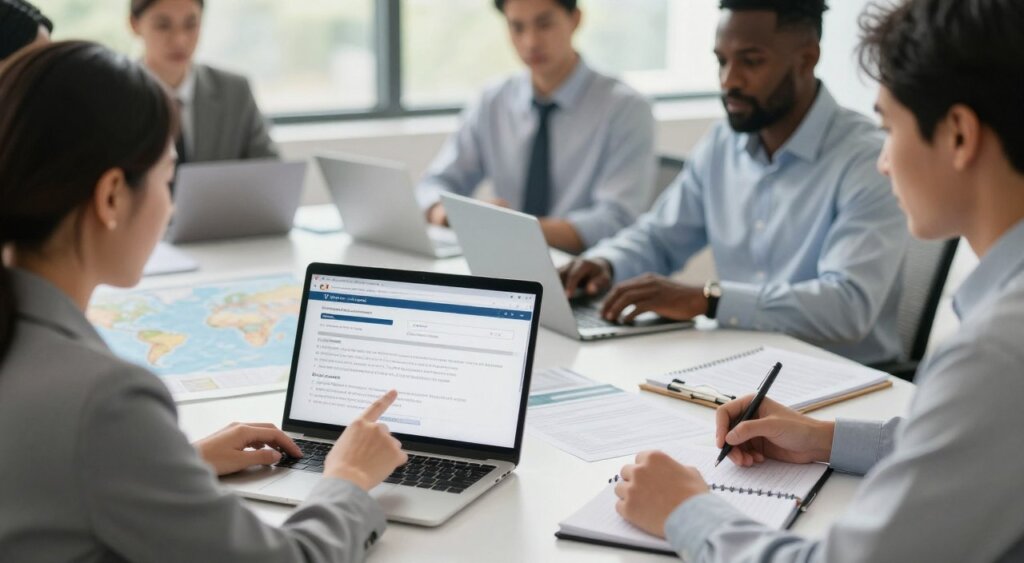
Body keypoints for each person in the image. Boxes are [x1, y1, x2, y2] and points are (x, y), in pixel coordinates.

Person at [613, 0, 1024, 560]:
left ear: (957, 135)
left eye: (889, 128)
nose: (884, 161)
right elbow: (979, 441)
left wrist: (686, 511)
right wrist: (824, 438)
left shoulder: (996, 352)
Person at [0, 41, 406, 562]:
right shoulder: (105, 400)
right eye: (168, 180)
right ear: (110, 198)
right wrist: (348, 479)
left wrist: (168, 466)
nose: (170, 202)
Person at [560, 0, 908, 366]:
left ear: (806, 59)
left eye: (751, 61)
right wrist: (605, 263)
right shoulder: (722, 143)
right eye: (722, 61)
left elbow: (847, 306)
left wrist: (710, 299)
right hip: (741, 364)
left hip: (847, 381)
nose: (729, 80)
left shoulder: (868, 160)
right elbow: (660, 237)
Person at [416, 0, 657, 254]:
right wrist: (449, 217)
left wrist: (511, 229)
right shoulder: (493, 102)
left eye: (545, 24)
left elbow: (616, 220)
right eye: (517, 27)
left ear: (575, 19)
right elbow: (435, 184)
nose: (530, 42)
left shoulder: (626, 109)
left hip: (584, 273)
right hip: (501, 264)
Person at [131, 0, 279, 164]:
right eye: (163, 26)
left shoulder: (236, 92)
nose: (180, 40)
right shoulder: (118, 97)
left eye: (191, 25)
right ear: (134, 24)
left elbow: (270, 168)